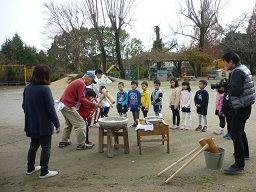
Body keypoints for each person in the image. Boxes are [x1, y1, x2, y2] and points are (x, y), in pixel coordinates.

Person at [22, 64, 60, 179]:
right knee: (46, 147)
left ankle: (30, 167)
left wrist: (32, 116)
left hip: (31, 124)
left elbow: (24, 106)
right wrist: (57, 124)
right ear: (45, 75)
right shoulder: (45, 89)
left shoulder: (27, 88)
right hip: (43, 125)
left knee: (33, 145)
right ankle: (44, 171)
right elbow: (50, 109)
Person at [221, 52, 255, 174]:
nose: (225, 64)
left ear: (231, 61)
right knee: (240, 131)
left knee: (235, 133)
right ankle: (244, 153)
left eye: (225, 62)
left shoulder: (237, 71)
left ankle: (239, 164)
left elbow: (236, 90)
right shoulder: (243, 68)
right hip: (245, 105)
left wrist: (225, 89)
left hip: (241, 107)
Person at [58, 72, 100, 150]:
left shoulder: (78, 81)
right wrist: (93, 105)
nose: (91, 83)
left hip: (63, 104)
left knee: (69, 123)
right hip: (68, 105)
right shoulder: (81, 83)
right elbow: (81, 99)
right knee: (81, 124)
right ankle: (81, 144)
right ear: (89, 78)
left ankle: (64, 141)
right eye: (92, 81)